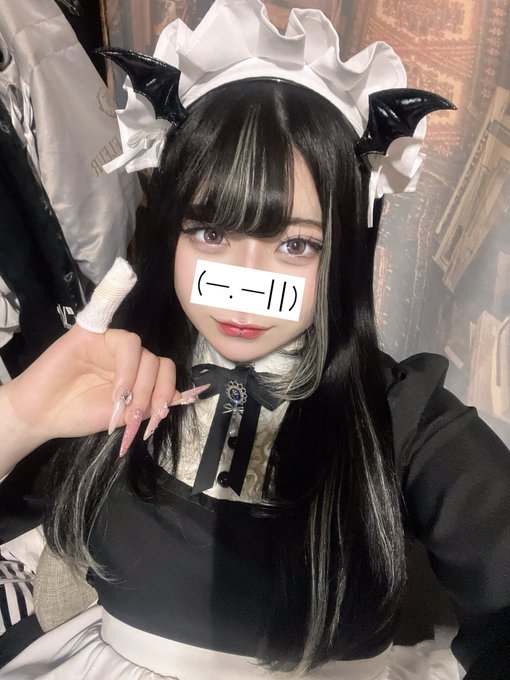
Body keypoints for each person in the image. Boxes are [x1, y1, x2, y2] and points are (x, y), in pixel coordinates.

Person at [1, 0, 509, 678]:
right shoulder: (119, 375)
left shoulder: (402, 415)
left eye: (295, 245)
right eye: (211, 233)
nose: (244, 284)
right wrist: (21, 416)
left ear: (343, 253)